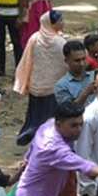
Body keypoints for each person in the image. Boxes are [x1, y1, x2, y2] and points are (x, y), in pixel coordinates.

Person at [14, 10, 69, 146]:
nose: (63, 23)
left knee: (35, 113)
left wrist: (24, 81)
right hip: (52, 87)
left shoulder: (35, 38)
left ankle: (31, 132)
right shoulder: (60, 42)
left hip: (36, 85)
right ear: (52, 24)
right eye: (60, 21)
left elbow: (27, 59)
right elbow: (65, 64)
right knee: (49, 116)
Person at [54, 39, 98, 108]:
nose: (82, 64)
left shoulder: (96, 75)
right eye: (77, 61)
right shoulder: (62, 85)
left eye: (84, 59)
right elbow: (68, 112)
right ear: (66, 61)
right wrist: (85, 93)